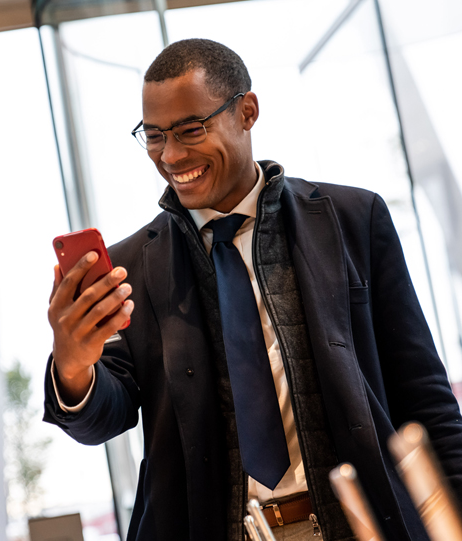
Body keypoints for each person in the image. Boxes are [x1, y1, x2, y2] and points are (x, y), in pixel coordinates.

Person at [43, 38, 462, 541]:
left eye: (189, 130)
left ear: (247, 111)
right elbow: (102, 422)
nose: (170, 155)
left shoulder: (353, 220)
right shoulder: (131, 266)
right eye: (153, 136)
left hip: (363, 523)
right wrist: (73, 367)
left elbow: (425, 398)